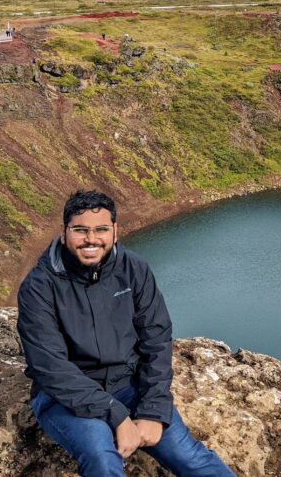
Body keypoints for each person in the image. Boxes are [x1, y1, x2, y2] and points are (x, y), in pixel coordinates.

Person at [18, 190, 234, 477]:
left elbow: (156, 340)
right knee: (101, 455)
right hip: (63, 396)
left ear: (115, 231)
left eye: (101, 230)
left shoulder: (134, 269)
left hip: (129, 384)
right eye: (80, 230)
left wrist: (153, 410)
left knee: (190, 457)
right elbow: (50, 367)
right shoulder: (39, 286)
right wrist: (117, 415)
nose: (91, 239)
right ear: (64, 232)